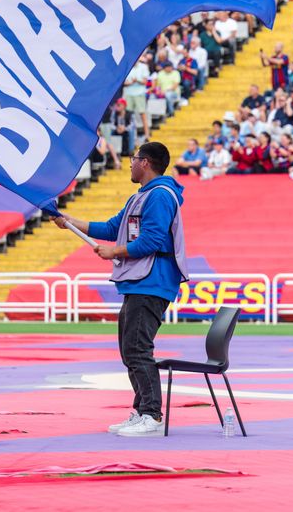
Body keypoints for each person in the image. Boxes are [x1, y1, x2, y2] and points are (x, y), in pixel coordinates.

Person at [50, 142, 188, 437]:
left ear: (146, 163)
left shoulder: (160, 196)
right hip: (139, 281)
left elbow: (151, 241)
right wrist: (70, 223)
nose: (130, 163)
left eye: (134, 158)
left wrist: (115, 253)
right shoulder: (141, 196)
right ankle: (141, 411)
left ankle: (152, 414)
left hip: (152, 281)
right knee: (130, 350)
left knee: (138, 348)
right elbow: (113, 227)